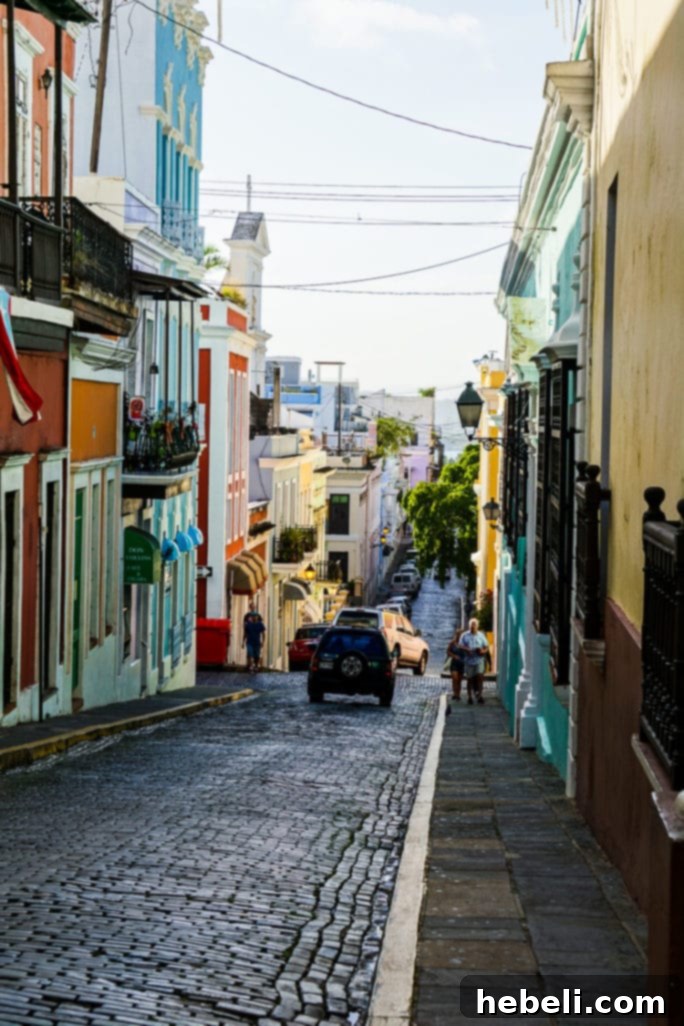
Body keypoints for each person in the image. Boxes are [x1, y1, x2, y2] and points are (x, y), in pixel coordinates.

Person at [460, 618, 489, 704]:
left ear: (477, 626)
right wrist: (467, 649)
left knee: (480, 677)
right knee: (470, 679)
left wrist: (482, 651)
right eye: (471, 625)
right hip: (469, 660)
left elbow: (486, 646)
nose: (473, 627)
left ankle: (480, 695)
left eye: (474, 625)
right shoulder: (464, 635)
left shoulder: (481, 635)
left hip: (479, 659)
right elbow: (460, 645)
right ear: (469, 626)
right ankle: (469, 696)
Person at [243, 603, 266, 674]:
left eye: (255, 616)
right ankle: (250, 666)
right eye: (253, 616)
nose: (254, 617)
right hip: (250, 641)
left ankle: (256, 666)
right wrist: (243, 641)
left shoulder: (260, 623)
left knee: (256, 655)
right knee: (250, 653)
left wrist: (263, 642)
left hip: (257, 642)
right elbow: (245, 632)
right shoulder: (247, 617)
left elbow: (263, 633)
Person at [446, 628, 465, 702]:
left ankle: (458, 694)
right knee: (455, 679)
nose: (459, 636)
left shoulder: (464, 643)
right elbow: (448, 651)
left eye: (460, 635)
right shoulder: (452, 643)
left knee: (459, 680)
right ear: (456, 635)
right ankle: (455, 693)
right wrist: (454, 656)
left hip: (462, 663)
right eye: (458, 635)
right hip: (454, 663)